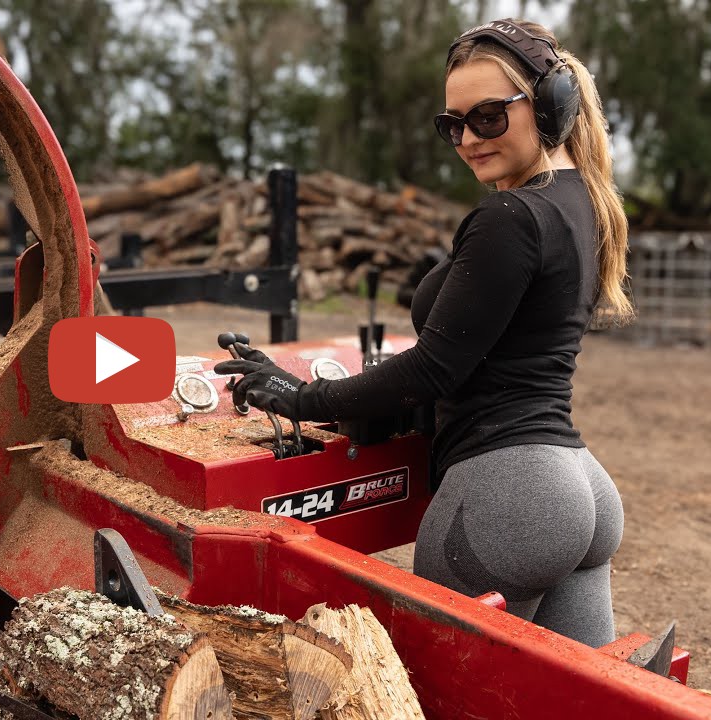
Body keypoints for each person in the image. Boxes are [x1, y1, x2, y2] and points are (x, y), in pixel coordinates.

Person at [215, 18, 632, 648]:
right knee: (585, 692)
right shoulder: (584, 202)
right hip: (579, 489)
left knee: (440, 686)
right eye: (452, 124)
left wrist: (301, 398)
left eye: (488, 116)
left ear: (550, 106)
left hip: (506, 496)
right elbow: (503, 344)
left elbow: (434, 369)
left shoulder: (510, 215)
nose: (469, 140)